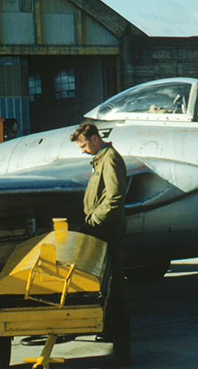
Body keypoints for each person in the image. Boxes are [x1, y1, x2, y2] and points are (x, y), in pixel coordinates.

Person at [70, 121, 127, 342]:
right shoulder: (101, 159)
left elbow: (114, 197)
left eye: (83, 145)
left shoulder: (109, 159)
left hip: (107, 228)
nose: (83, 151)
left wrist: (93, 222)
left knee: (111, 281)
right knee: (105, 279)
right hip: (104, 226)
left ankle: (113, 328)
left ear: (95, 139)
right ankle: (109, 326)